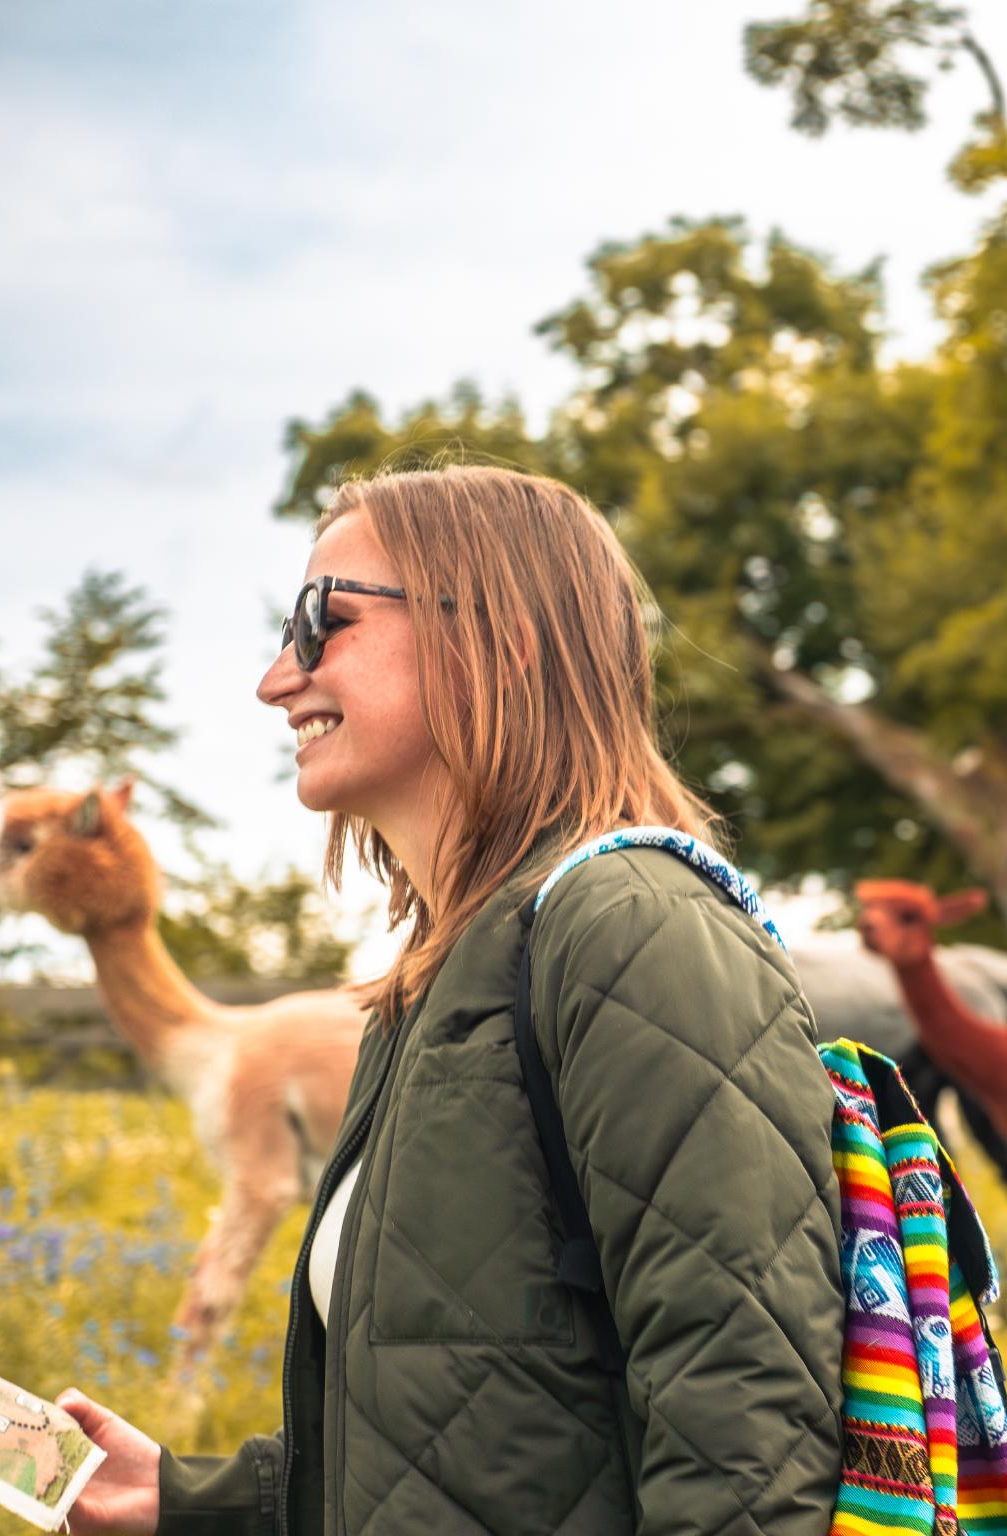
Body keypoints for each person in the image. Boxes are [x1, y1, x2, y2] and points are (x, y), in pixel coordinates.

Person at [56, 466, 847, 1534]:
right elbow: (462, 1436)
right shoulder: (439, 972)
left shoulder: (633, 927)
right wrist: (196, 1503)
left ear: (503, 636)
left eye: (319, 621)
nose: (274, 679)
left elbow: (745, 1453)